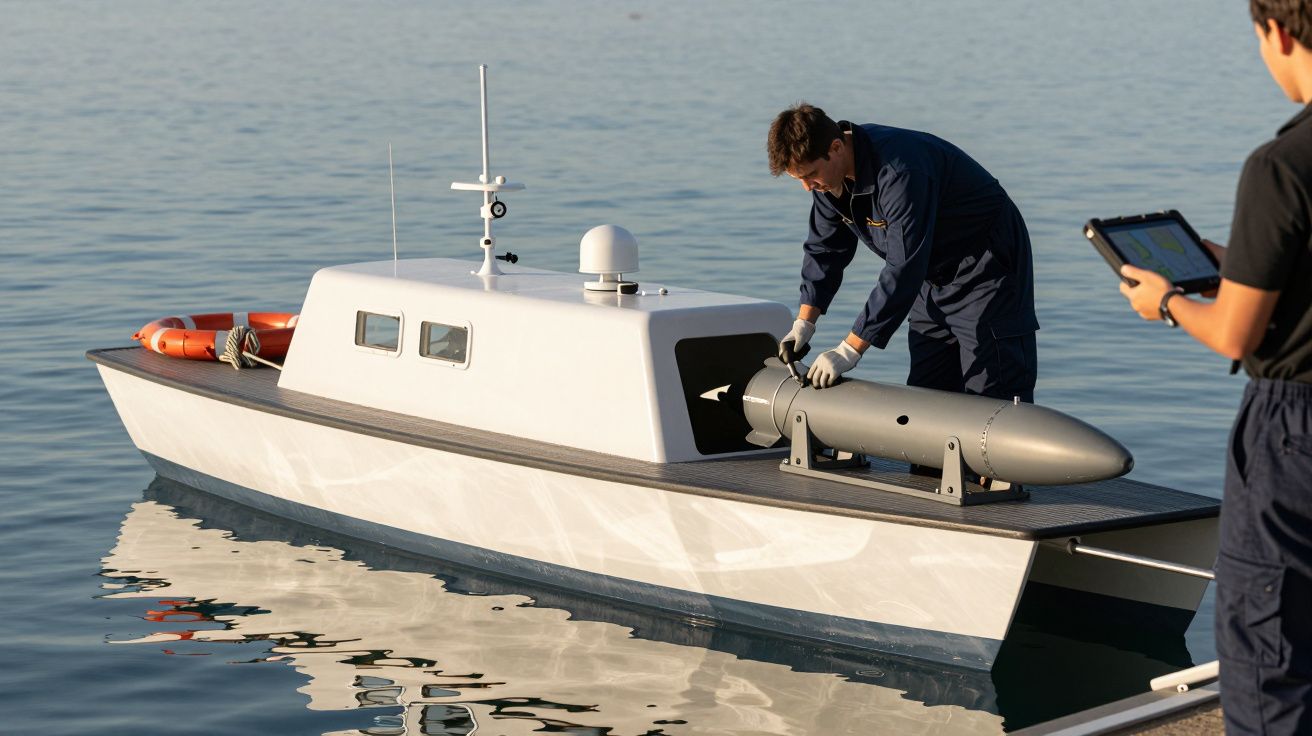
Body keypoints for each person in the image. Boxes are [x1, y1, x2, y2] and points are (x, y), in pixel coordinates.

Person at [1117, 2, 1312, 732]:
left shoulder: (1282, 164)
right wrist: (1237, 264)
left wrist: (1167, 300)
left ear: (1279, 32)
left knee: (1270, 655)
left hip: (1294, 430)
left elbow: (1235, 333)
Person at [766, 104, 1038, 400]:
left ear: (836, 147)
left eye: (810, 175)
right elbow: (825, 249)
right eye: (799, 180)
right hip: (931, 276)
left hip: (987, 271)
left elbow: (903, 267)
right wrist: (804, 323)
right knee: (926, 389)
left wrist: (849, 350)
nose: (807, 187)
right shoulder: (827, 182)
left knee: (990, 390)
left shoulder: (900, 170)